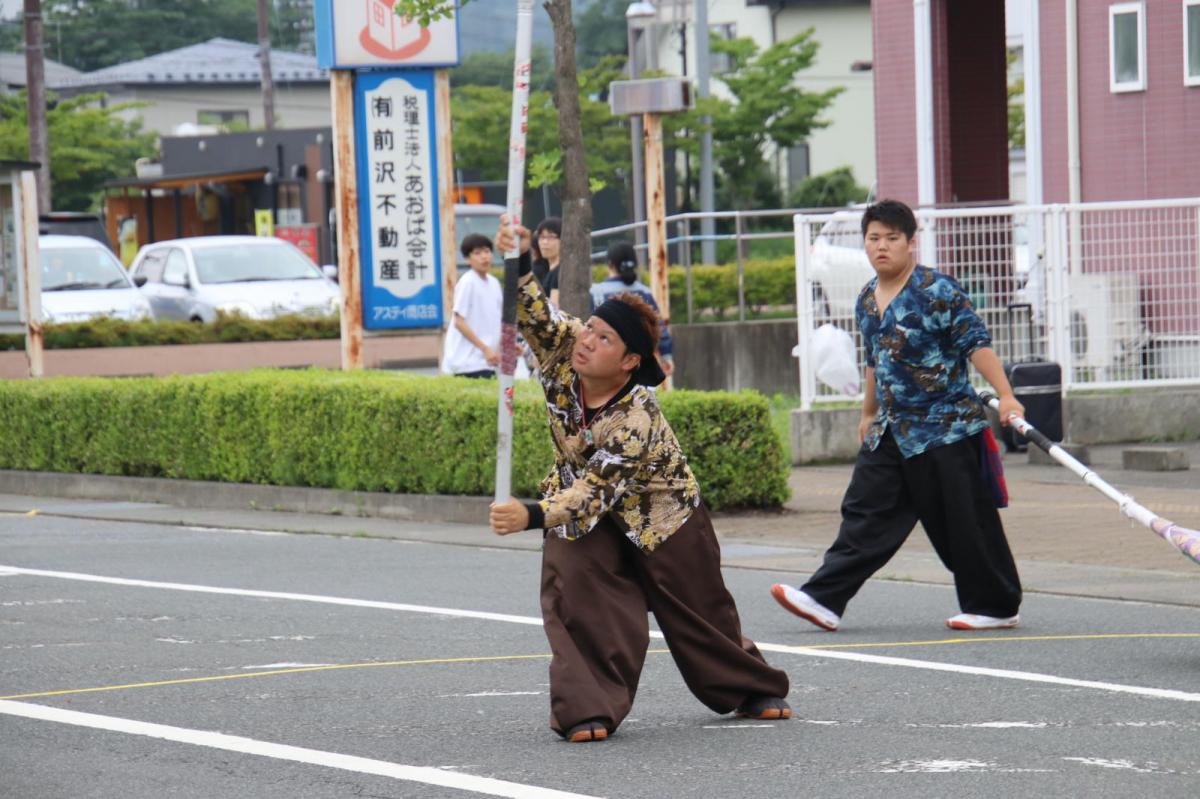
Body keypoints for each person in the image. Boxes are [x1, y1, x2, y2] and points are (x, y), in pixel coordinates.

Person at [490, 216, 791, 743]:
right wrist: (514, 260)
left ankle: (749, 686)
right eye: (590, 328)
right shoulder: (566, 348)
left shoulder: (637, 418)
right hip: (578, 504)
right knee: (575, 592)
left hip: (663, 512)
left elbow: (594, 494)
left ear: (629, 362)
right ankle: (586, 707)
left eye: (603, 339)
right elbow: (534, 315)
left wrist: (530, 515)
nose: (587, 341)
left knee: (700, 610)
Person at [771, 199, 1026, 633]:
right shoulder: (867, 299)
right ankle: (824, 598)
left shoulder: (938, 290)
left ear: (912, 243)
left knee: (963, 520)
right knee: (865, 510)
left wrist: (1007, 396)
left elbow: (976, 345)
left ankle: (996, 605)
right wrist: (867, 411)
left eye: (892, 238)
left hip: (946, 428)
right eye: (874, 238)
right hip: (892, 428)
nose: (881, 247)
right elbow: (875, 359)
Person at [589, 241, 674, 380]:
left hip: (603, 364)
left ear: (610, 264)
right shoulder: (644, 292)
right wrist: (666, 355)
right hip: (639, 365)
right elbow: (658, 326)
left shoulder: (595, 293)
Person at [441, 233, 502, 379]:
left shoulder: (494, 283)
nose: (484, 257)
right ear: (468, 258)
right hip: (466, 362)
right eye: (477, 253)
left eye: (487, 252)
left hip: (488, 361)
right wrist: (484, 348)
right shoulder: (468, 282)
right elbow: (459, 322)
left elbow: (497, 320)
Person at [530, 217, 561, 306]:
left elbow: (555, 310)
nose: (544, 242)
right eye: (542, 237)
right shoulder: (547, 270)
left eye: (551, 237)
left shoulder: (560, 272)